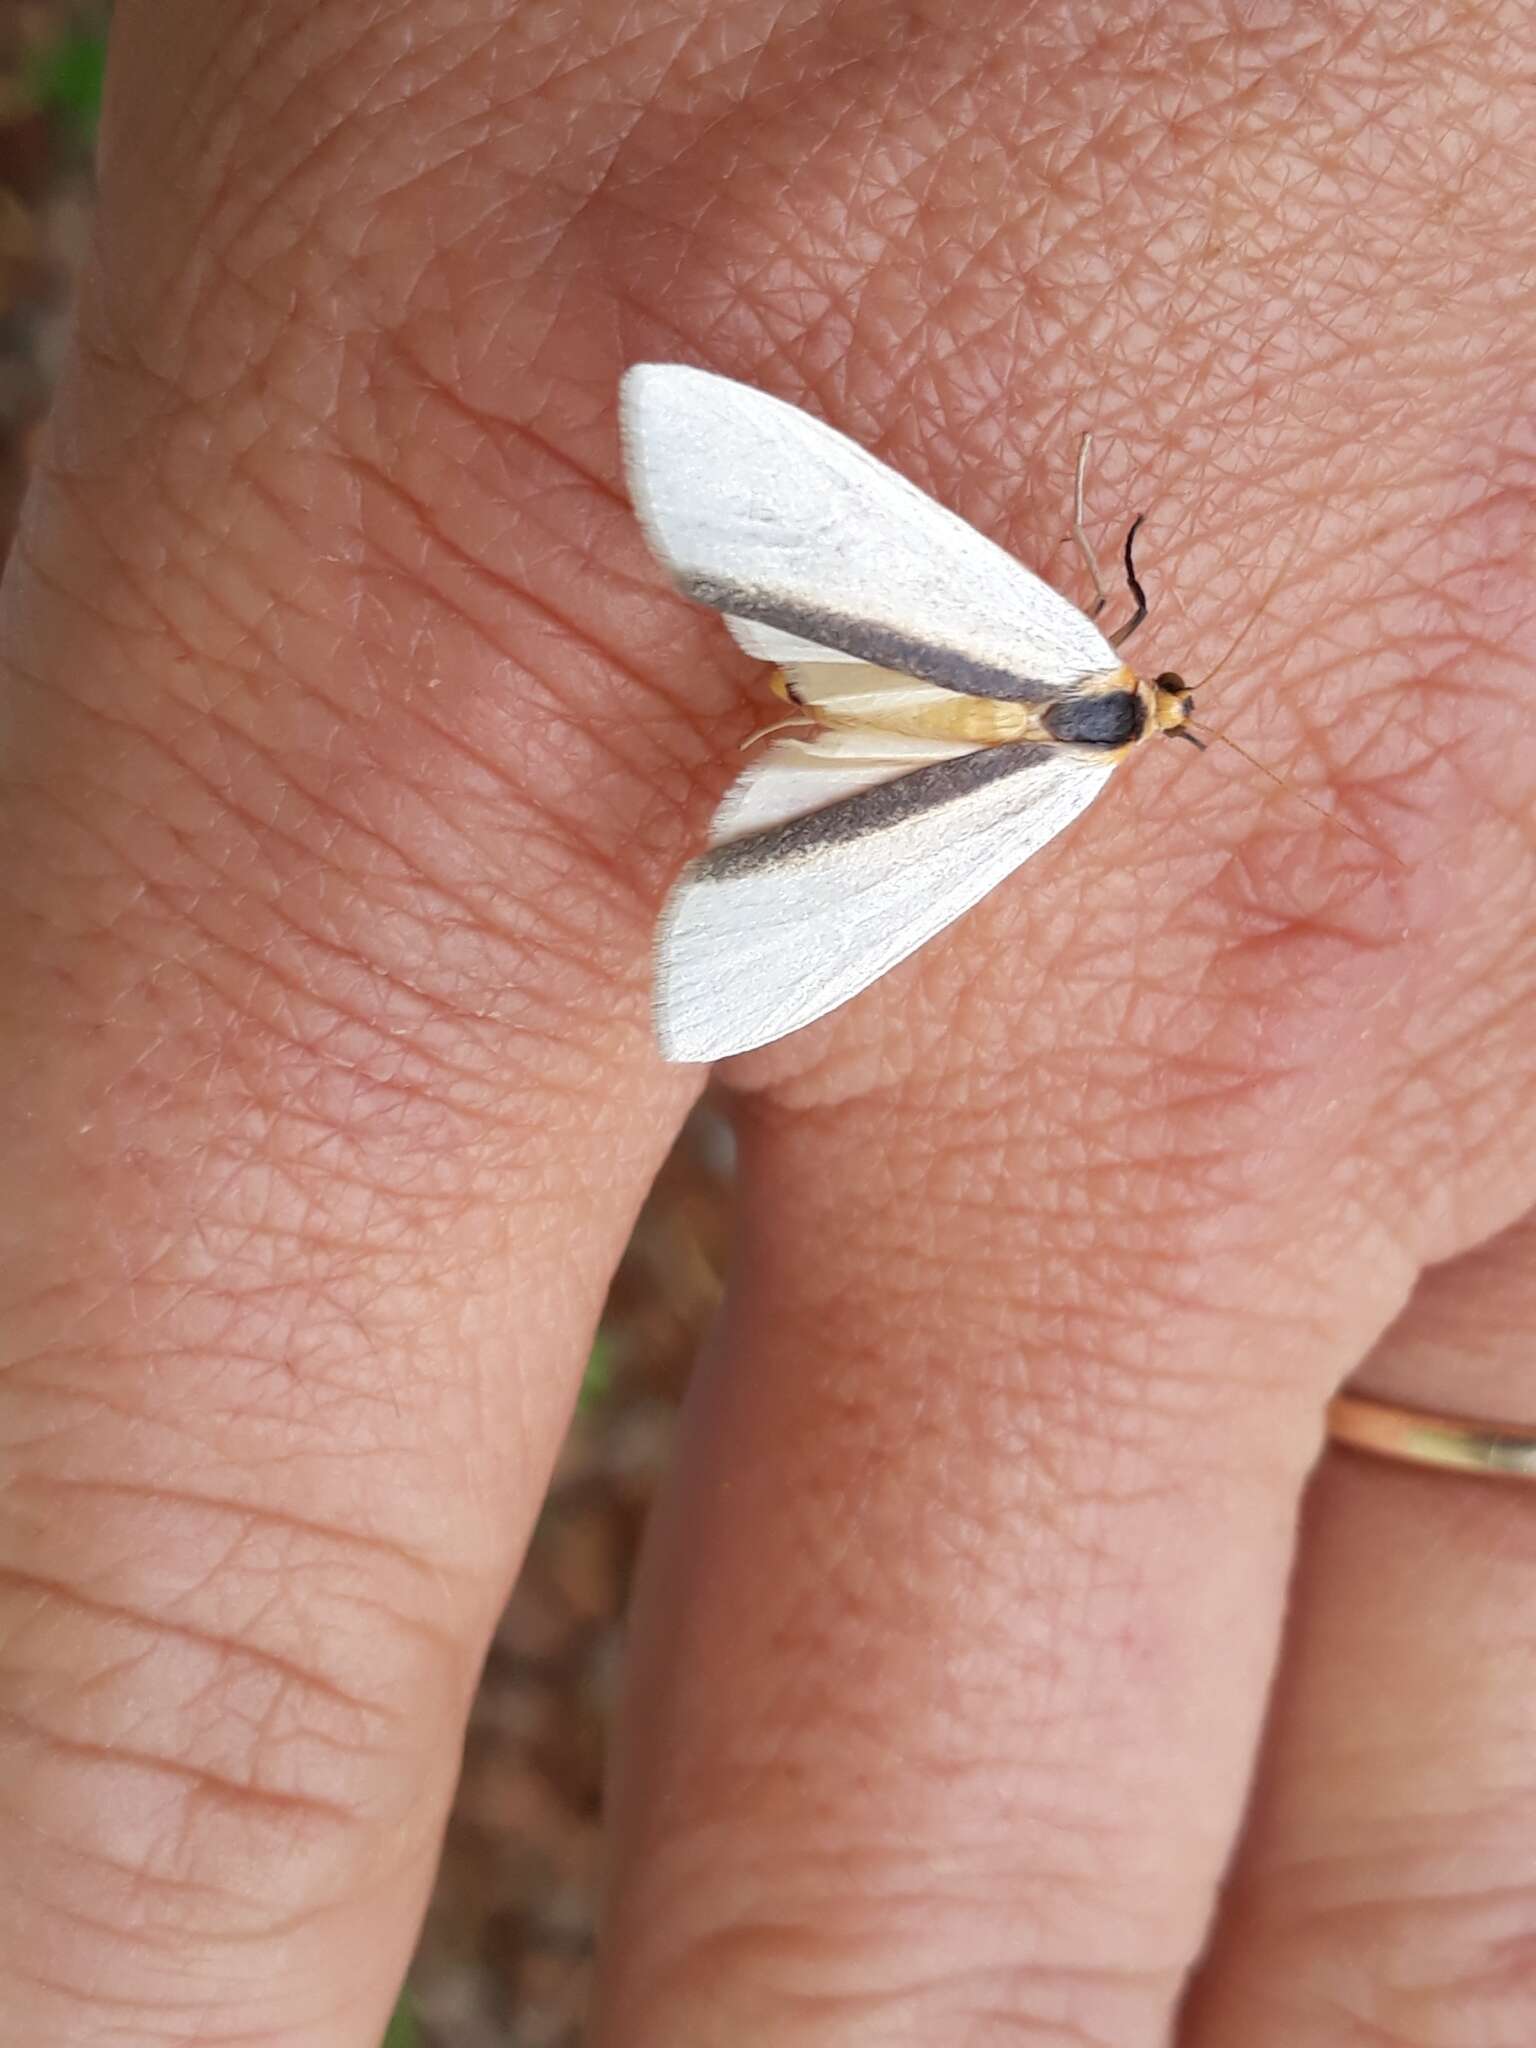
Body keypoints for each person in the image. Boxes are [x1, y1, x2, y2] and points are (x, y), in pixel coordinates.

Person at [2, 3, 1534, 2042]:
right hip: (929, 738)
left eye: (1155, 699)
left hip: (934, 686)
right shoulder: (1083, 740)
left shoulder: (1065, 713)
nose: (1154, 702)